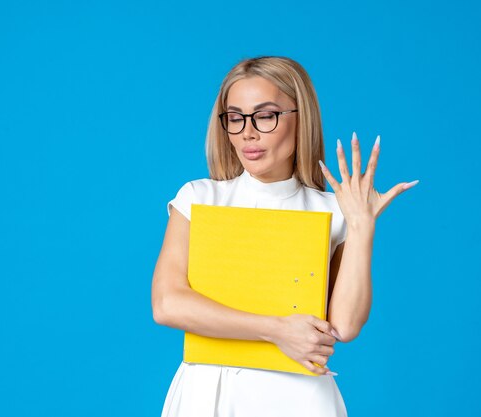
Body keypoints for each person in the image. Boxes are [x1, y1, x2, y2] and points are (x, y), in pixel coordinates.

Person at [151, 56, 419, 417]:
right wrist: (276, 330)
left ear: (301, 119)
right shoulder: (199, 198)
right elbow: (167, 304)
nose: (248, 132)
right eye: (235, 117)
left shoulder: (332, 210)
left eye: (265, 116)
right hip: (207, 393)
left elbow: (345, 324)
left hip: (298, 397)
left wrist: (360, 225)